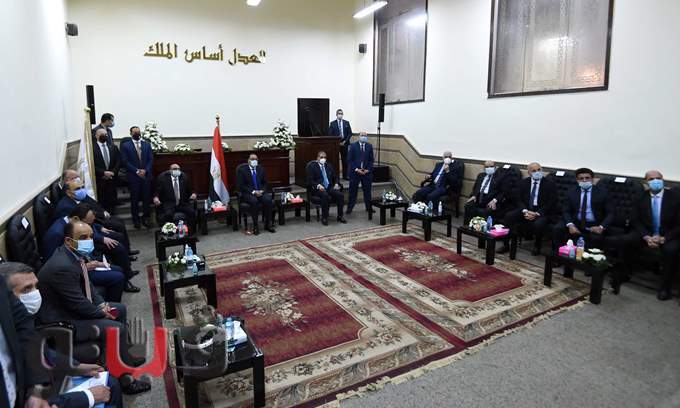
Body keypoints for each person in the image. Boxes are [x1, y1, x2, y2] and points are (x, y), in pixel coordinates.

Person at [0, 262, 125, 407]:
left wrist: (75, 367)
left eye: (36, 287)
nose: (35, 294)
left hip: (39, 384)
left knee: (110, 382)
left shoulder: (20, 322)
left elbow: (42, 352)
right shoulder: (61, 267)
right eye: (26, 289)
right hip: (36, 396)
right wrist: (88, 397)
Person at [37, 221, 146, 375]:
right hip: (63, 322)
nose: (89, 240)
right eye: (83, 237)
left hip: (71, 309)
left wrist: (101, 304)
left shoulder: (72, 255)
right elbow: (78, 304)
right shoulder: (62, 267)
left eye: (90, 236)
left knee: (119, 309)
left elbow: (89, 285)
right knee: (116, 328)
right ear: (68, 241)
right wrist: (101, 313)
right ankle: (124, 377)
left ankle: (124, 355)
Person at [43, 204, 133, 299]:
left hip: (84, 261)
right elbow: (54, 266)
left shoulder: (71, 222)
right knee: (118, 276)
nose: (89, 226)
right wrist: (84, 267)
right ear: (76, 219)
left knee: (118, 269)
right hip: (75, 272)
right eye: (88, 223)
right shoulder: (56, 234)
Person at [53, 179, 137, 258]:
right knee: (117, 244)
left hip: (94, 227)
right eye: (78, 189)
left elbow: (94, 207)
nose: (82, 190)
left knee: (119, 230)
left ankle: (127, 254)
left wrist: (100, 226)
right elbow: (76, 229)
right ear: (68, 192)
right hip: (86, 237)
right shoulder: (66, 207)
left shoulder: (80, 197)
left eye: (82, 187)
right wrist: (101, 238)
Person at [631, 170, 680, 301]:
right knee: (625, 239)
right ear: (646, 182)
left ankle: (665, 286)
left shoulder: (675, 197)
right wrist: (646, 237)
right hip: (648, 233)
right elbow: (635, 220)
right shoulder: (640, 197)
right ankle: (624, 272)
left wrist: (664, 238)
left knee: (670, 250)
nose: (655, 181)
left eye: (658, 178)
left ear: (663, 179)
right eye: (651, 179)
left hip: (669, 234)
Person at [500, 162, 559, 255]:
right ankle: (506, 244)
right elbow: (518, 199)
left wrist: (537, 213)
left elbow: (551, 202)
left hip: (541, 211)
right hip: (526, 209)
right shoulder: (523, 183)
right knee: (509, 216)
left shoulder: (549, 184)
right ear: (529, 173)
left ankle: (537, 245)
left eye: (539, 170)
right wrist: (525, 211)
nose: (537, 172)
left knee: (539, 224)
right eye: (534, 171)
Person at [553, 167, 614, 251]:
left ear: (592, 179)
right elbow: (566, 210)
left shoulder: (602, 192)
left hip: (594, 224)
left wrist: (601, 227)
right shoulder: (571, 192)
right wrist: (570, 225)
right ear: (577, 180)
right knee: (558, 229)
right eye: (581, 178)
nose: (584, 180)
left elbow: (611, 212)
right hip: (575, 221)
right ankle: (558, 254)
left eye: (587, 178)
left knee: (596, 239)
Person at [120, 126, 153, 229]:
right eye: (135, 132)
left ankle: (146, 218)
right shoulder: (126, 145)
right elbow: (125, 161)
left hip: (145, 175)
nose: (137, 134)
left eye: (138, 132)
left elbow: (150, 159)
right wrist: (137, 171)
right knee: (134, 199)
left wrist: (145, 170)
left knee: (146, 198)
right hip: (133, 176)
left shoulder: (146, 144)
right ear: (131, 134)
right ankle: (136, 220)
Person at [236, 154, 275, 234]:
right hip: (248, 193)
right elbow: (241, 186)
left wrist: (262, 191)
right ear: (248, 160)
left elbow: (265, 183)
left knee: (268, 201)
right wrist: (253, 192)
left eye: (256, 159)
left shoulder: (261, 169)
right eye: (252, 159)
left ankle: (268, 224)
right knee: (254, 202)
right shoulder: (242, 170)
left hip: (260, 192)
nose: (254, 160)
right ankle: (255, 225)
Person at [154, 164, 197, 231]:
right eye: (174, 169)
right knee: (168, 215)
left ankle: (191, 231)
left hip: (182, 203)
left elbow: (190, 189)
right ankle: (171, 232)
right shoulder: (163, 179)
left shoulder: (184, 177)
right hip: (169, 203)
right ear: (170, 170)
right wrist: (156, 197)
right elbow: (157, 191)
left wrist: (193, 194)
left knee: (192, 212)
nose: (177, 170)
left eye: (178, 169)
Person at [307, 151, 346, 226]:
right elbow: (310, 180)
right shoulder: (312, 167)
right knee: (325, 195)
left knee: (340, 195)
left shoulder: (329, 166)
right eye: (321, 157)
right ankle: (324, 217)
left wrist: (336, 183)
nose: (323, 159)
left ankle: (340, 216)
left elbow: (335, 177)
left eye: (324, 157)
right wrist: (318, 185)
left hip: (329, 187)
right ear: (317, 158)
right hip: (318, 188)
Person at [92, 128, 121, 214]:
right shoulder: (92, 148)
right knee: (102, 201)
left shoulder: (113, 147)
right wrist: (103, 173)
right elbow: (92, 164)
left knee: (112, 202)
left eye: (106, 134)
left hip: (112, 179)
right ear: (96, 136)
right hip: (100, 180)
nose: (105, 136)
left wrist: (113, 172)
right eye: (102, 134)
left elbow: (118, 161)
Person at [346, 132, 374, 214]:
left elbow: (371, 160)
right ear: (359, 136)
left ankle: (369, 208)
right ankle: (349, 208)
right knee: (352, 192)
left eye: (365, 136)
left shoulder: (369, 146)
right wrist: (356, 169)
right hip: (355, 172)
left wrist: (368, 169)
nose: (363, 137)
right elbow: (349, 160)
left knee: (367, 192)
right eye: (362, 135)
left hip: (366, 173)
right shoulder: (353, 146)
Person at [329, 109, 353, 180]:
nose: (340, 115)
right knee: (335, 160)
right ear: (336, 114)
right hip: (336, 144)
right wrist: (337, 142)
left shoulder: (346, 123)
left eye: (341, 113)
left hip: (345, 143)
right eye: (339, 113)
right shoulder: (332, 123)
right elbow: (330, 134)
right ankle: (336, 177)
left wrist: (345, 141)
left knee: (345, 160)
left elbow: (350, 133)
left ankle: (345, 176)